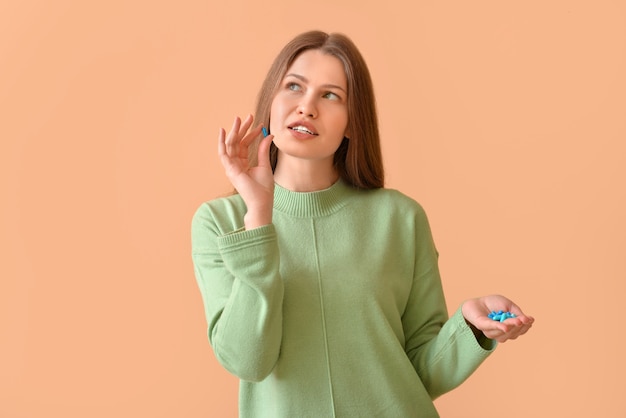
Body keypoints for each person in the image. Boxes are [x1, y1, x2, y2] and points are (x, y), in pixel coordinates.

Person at [191, 30, 534, 418]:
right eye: (293, 87)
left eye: (330, 95)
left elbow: (420, 370)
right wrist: (257, 220)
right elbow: (247, 361)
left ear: (353, 123)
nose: (307, 106)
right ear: (272, 100)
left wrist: (468, 326)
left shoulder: (400, 218)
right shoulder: (219, 224)